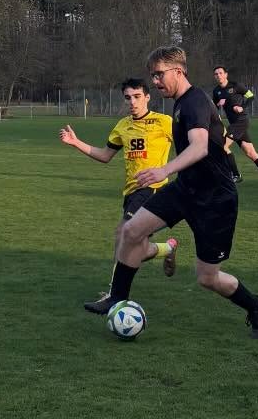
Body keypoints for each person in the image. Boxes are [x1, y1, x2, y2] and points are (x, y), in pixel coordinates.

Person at [108, 46, 258, 339]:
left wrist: (164, 170)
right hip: (185, 189)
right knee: (131, 231)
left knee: (207, 277)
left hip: (215, 200)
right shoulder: (180, 103)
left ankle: (257, 305)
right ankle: (116, 300)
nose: (155, 81)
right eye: (153, 75)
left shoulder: (195, 101)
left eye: (159, 74)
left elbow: (199, 147)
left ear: (178, 71)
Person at [59, 78, 179, 313]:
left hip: (153, 188)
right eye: (128, 97)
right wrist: (75, 143)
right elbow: (105, 155)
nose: (132, 102)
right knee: (135, 246)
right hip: (131, 192)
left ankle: (114, 295)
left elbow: (189, 145)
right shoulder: (122, 126)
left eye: (137, 96)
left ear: (147, 97)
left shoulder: (164, 122)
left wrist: (170, 169)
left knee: (122, 234)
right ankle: (167, 248)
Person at [211, 66, 258, 186]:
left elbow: (251, 96)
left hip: (241, 121)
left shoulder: (236, 86)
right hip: (234, 124)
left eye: (220, 73)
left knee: (222, 146)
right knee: (250, 152)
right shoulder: (216, 91)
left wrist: (242, 107)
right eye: (216, 74)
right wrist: (218, 105)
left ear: (226, 74)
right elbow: (214, 108)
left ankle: (236, 175)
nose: (218, 75)